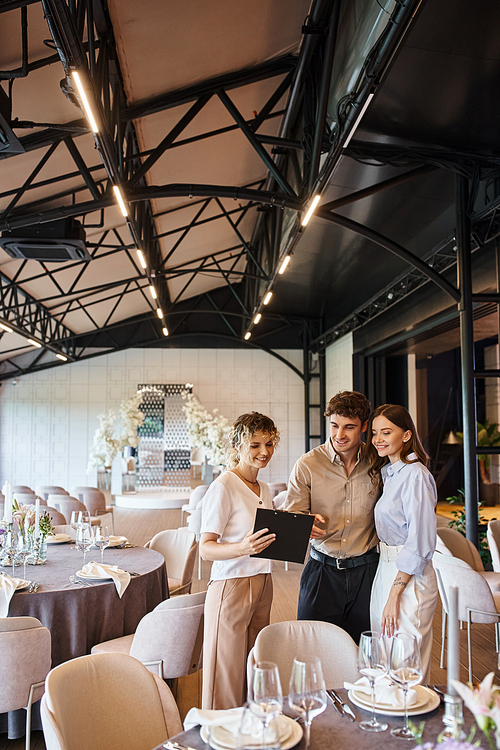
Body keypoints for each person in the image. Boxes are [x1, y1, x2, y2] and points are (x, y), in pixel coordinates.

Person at [284, 391, 379, 643]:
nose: (339, 435)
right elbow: (293, 515)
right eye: (335, 426)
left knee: (364, 653)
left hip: (368, 572)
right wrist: (304, 523)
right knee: (312, 648)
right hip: (322, 572)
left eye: (349, 427)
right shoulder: (307, 464)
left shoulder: (378, 462)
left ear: (364, 427)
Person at [200, 411, 280, 710]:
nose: (264, 452)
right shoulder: (224, 486)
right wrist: (243, 547)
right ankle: (220, 734)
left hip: (264, 582)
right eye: (255, 445)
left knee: (253, 668)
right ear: (238, 447)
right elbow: (206, 549)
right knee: (225, 674)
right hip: (231, 585)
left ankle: (248, 732)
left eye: (269, 444)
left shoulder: (265, 488)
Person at [367, 403, 438, 683]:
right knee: (384, 657)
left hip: (408, 578)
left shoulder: (416, 475)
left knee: (405, 662)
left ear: (406, 435)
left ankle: (413, 724)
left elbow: (420, 542)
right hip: (385, 568)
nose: (378, 439)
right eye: (374, 433)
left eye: (386, 432)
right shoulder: (391, 472)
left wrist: (395, 595)